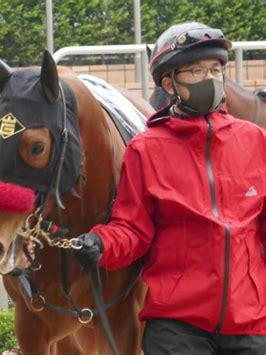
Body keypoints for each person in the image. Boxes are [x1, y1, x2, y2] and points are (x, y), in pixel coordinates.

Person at [73, 21, 266, 354]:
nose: (210, 78)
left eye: (216, 68)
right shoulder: (146, 149)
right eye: (196, 71)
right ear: (169, 83)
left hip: (251, 321)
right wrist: (101, 243)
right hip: (177, 326)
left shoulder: (254, 140)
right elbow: (133, 228)